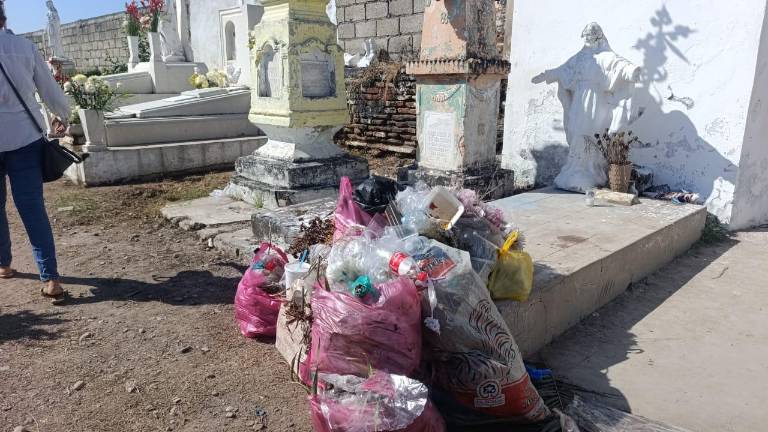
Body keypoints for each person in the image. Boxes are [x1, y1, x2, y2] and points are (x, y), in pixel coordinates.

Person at [0, 4, 70, 301]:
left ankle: (4, 264)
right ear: (3, 17)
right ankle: (51, 278)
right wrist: (63, 114)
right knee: (32, 209)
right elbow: (47, 88)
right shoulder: (24, 47)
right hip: (25, 138)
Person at [532, 23, 641, 193]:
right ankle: (575, 170)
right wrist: (547, 75)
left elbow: (620, 65)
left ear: (598, 37)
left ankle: (592, 172)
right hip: (579, 100)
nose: (587, 39)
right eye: (586, 36)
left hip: (596, 101)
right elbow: (564, 69)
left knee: (590, 132)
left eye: (591, 36)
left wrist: (632, 71)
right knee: (576, 130)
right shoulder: (581, 57)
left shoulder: (606, 56)